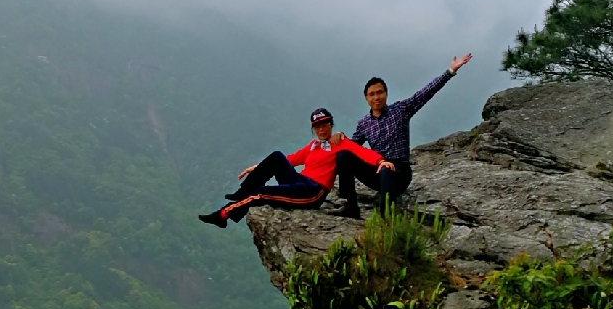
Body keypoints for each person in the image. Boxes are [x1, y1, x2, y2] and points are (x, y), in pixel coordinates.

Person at [199, 108, 390, 228]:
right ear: (313, 129)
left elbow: (363, 152)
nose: (321, 129)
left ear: (331, 124)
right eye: (317, 126)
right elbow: (290, 160)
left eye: (325, 125)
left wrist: (380, 162)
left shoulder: (340, 142)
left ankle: (223, 215)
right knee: (277, 156)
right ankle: (241, 192)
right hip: (299, 181)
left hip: (313, 191)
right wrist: (257, 168)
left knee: (262, 193)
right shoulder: (313, 146)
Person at [336, 55, 472, 216]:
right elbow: (354, 147)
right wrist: (340, 138)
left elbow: (425, 93)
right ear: (366, 98)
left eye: (379, 92)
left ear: (386, 93)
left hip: (399, 173)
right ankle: (350, 206)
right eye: (372, 94)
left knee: (386, 170)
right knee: (344, 155)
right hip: (377, 171)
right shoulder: (364, 123)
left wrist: (450, 72)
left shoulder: (400, 110)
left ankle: (385, 217)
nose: (376, 97)